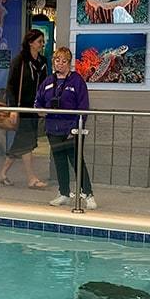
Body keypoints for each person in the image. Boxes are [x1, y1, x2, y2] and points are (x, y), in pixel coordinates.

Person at [35, 45, 97, 209]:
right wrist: (40, 111)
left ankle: (88, 194)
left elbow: (83, 107)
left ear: (69, 63)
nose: (60, 64)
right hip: (53, 129)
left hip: (72, 130)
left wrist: (75, 128)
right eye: (57, 60)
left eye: (64, 61)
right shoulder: (48, 82)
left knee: (77, 162)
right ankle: (64, 193)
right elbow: (38, 101)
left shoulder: (77, 81)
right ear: (53, 62)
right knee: (60, 162)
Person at [0, 30, 48, 188]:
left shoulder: (43, 61)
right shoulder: (19, 60)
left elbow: (44, 85)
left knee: (22, 142)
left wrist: (43, 105)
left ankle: (3, 173)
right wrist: (13, 109)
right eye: (39, 41)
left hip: (34, 107)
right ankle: (31, 178)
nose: (42, 44)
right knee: (26, 142)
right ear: (30, 43)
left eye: (42, 41)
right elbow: (11, 85)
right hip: (22, 107)